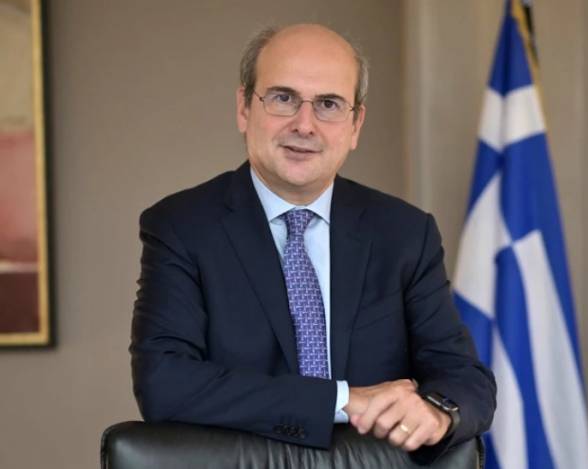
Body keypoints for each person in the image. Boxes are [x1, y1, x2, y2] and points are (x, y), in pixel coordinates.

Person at [130, 23, 496, 464]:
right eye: (283, 98)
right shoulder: (182, 226)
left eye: (328, 104)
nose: (305, 125)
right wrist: (343, 400)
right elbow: (164, 383)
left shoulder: (404, 233)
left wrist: (436, 414)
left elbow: (465, 379)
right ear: (244, 107)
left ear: (356, 124)